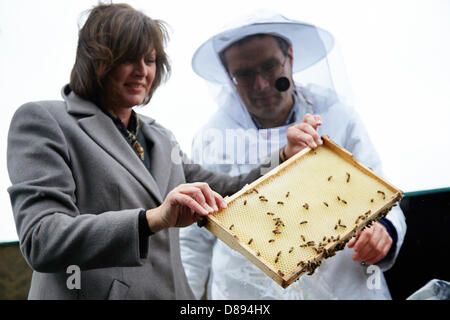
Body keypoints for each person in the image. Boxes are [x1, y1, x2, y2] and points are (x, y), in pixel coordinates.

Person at [6, 4, 320, 300]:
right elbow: (41, 239)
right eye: (129, 58)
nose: (142, 70)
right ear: (96, 59)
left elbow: (222, 190)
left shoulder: (159, 136)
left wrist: (283, 156)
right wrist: (152, 219)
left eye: (151, 59)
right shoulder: (45, 121)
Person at [179, 12, 407, 299]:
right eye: (245, 74)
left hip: (342, 287)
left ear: (290, 57)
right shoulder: (212, 136)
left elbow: (383, 193)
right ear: (229, 77)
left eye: (270, 67)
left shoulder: (337, 115)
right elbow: (194, 239)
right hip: (247, 295)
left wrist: (385, 230)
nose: (261, 85)